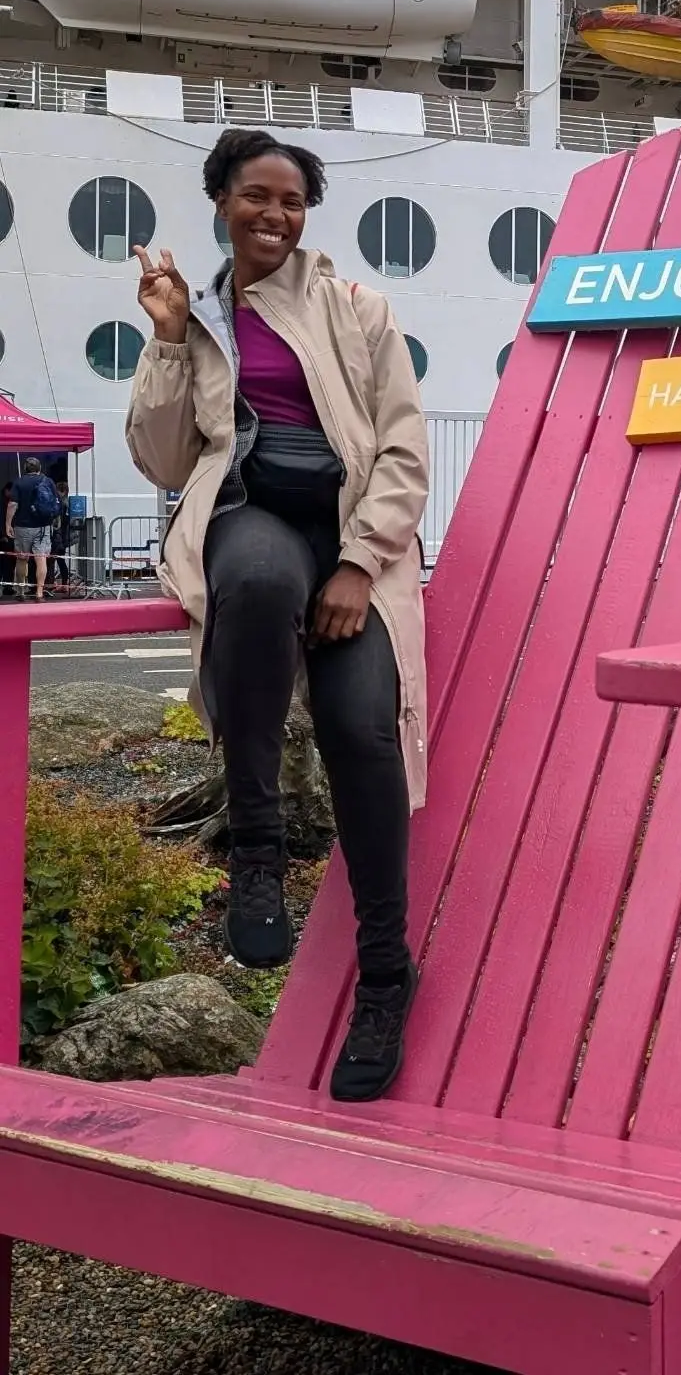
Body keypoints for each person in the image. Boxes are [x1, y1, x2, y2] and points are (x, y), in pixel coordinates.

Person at [126, 127, 430, 1103]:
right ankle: (256, 852)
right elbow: (165, 461)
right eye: (256, 195)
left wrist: (358, 564)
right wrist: (168, 338)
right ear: (222, 200)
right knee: (255, 582)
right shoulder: (200, 318)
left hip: (351, 537)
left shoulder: (358, 310)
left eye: (292, 200)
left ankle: (385, 973)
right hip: (251, 514)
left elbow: (403, 452)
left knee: (361, 730)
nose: (274, 214)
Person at [6, 456, 61, 601]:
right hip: (43, 527)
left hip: (22, 527)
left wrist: (8, 524)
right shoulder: (48, 481)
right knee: (41, 559)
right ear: (39, 468)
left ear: (25, 468)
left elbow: (12, 504)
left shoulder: (19, 482)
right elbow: (55, 503)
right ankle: (39, 593)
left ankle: (21, 592)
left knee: (22, 559)